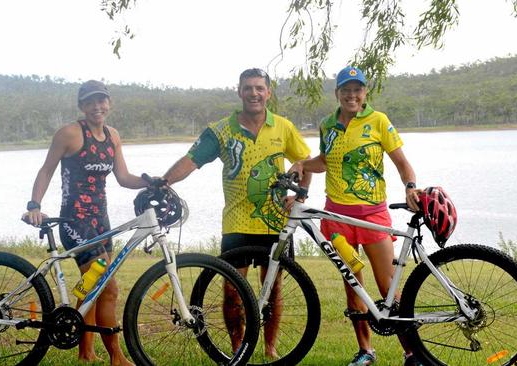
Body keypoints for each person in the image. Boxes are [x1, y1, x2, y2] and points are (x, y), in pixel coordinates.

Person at [161, 68, 312, 359]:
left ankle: (270, 348)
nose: (254, 93)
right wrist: (164, 182)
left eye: (259, 88)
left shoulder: (283, 127)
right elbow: (191, 160)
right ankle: (237, 349)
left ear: (268, 92)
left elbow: (305, 161)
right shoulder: (220, 130)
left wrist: (301, 194)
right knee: (232, 292)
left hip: (274, 221)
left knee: (274, 290)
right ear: (239, 91)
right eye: (248, 88)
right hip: (237, 222)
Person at [288, 66, 424, 366]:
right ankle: (365, 351)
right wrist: (302, 164)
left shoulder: (378, 121)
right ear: (337, 93)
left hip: (373, 215)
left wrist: (411, 187)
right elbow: (324, 161)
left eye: (357, 89)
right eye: (345, 90)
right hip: (337, 218)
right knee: (353, 284)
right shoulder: (327, 125)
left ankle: (413, 352)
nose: (351, 95)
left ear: (365, 93)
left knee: (388, 286)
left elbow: (402, 163)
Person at [23, 80, 146, 366]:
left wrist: (152, 181)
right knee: (108, 286)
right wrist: (34, 205)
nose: (97, 106)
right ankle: (116, 356)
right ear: (82, 106)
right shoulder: (69, 133)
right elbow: (46, 170)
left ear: (109, 103)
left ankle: (85, 352)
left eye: (102, 101)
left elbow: (124, 178)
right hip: (74, 221)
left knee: (92, 286)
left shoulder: (113, 136)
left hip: (101, 222)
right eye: (90, 102)